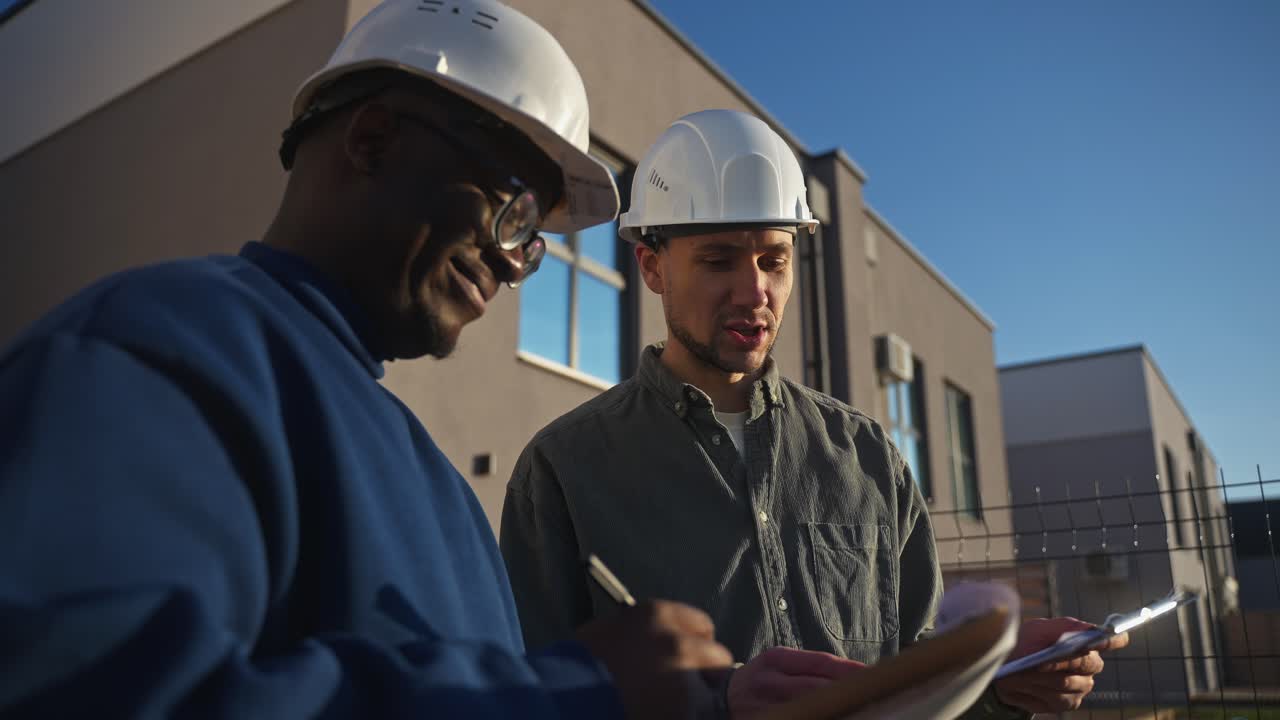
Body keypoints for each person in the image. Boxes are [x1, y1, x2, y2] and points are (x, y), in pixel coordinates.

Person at [0, 3, 744, 717]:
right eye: (513, 211)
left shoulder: (442, 488)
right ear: (374, 139)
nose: (512, 266)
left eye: (534, 245)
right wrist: (574, 696)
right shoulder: (157, 349)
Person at [500, 108, 1129, 718]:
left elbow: (914, 680)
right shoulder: (563, 469)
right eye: (719, 260)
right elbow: (526, 697)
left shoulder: (871, 457)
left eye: (774, 260)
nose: (755, 294)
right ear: (653, 266)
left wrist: (1001, 688)